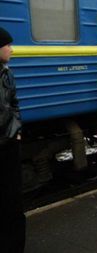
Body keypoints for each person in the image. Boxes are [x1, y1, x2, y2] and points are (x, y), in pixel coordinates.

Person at [0, 27, 25, 253]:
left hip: (9, 144)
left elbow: (14, 104)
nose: (12, 49)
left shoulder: (7, 73)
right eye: (8, 45)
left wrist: (16, 131)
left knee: (13, 202)